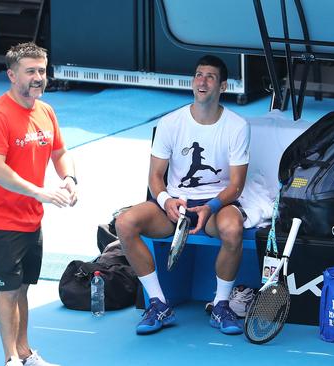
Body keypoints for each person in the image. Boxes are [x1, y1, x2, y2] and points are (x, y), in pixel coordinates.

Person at [116, 55, 250, 336]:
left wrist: (211, 207)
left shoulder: (237, 126)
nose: (202, 81)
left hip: (217, 204)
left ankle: (221, 304)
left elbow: (236, 185)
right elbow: (155, 177)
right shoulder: (170, 123)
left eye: (210, 76)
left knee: (232, 229)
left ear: (223, 86)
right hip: (175, 206)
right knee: (125, 223)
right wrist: (166, 201)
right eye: (198, 75)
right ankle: (158, 304)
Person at [0, 42, 78, 366]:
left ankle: (25, 353)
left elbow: (60, 152)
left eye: (42, 71)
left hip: (31, 218)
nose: (38, 78)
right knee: (7, 291)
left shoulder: (46, 111)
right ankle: (10, 360)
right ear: (11, 74)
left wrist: (69, 179)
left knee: (22, 289)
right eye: (30, 71)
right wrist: (40, 192)